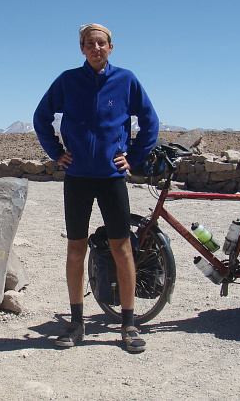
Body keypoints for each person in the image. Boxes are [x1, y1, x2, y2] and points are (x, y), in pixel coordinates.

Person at [33, 23, 160, 352]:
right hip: (77, 177)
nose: (96, 48)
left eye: (101, 43)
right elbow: (41, 116)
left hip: (111, 178)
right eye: (89, 44)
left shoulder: (126, 80)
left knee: (122, 249)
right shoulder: (68, 81)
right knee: (76, 249)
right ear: (82, 49)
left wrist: (132, 157)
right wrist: (56, 152)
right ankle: (77, 324)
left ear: (111, 47)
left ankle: (129, 324)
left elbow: (150, 122)